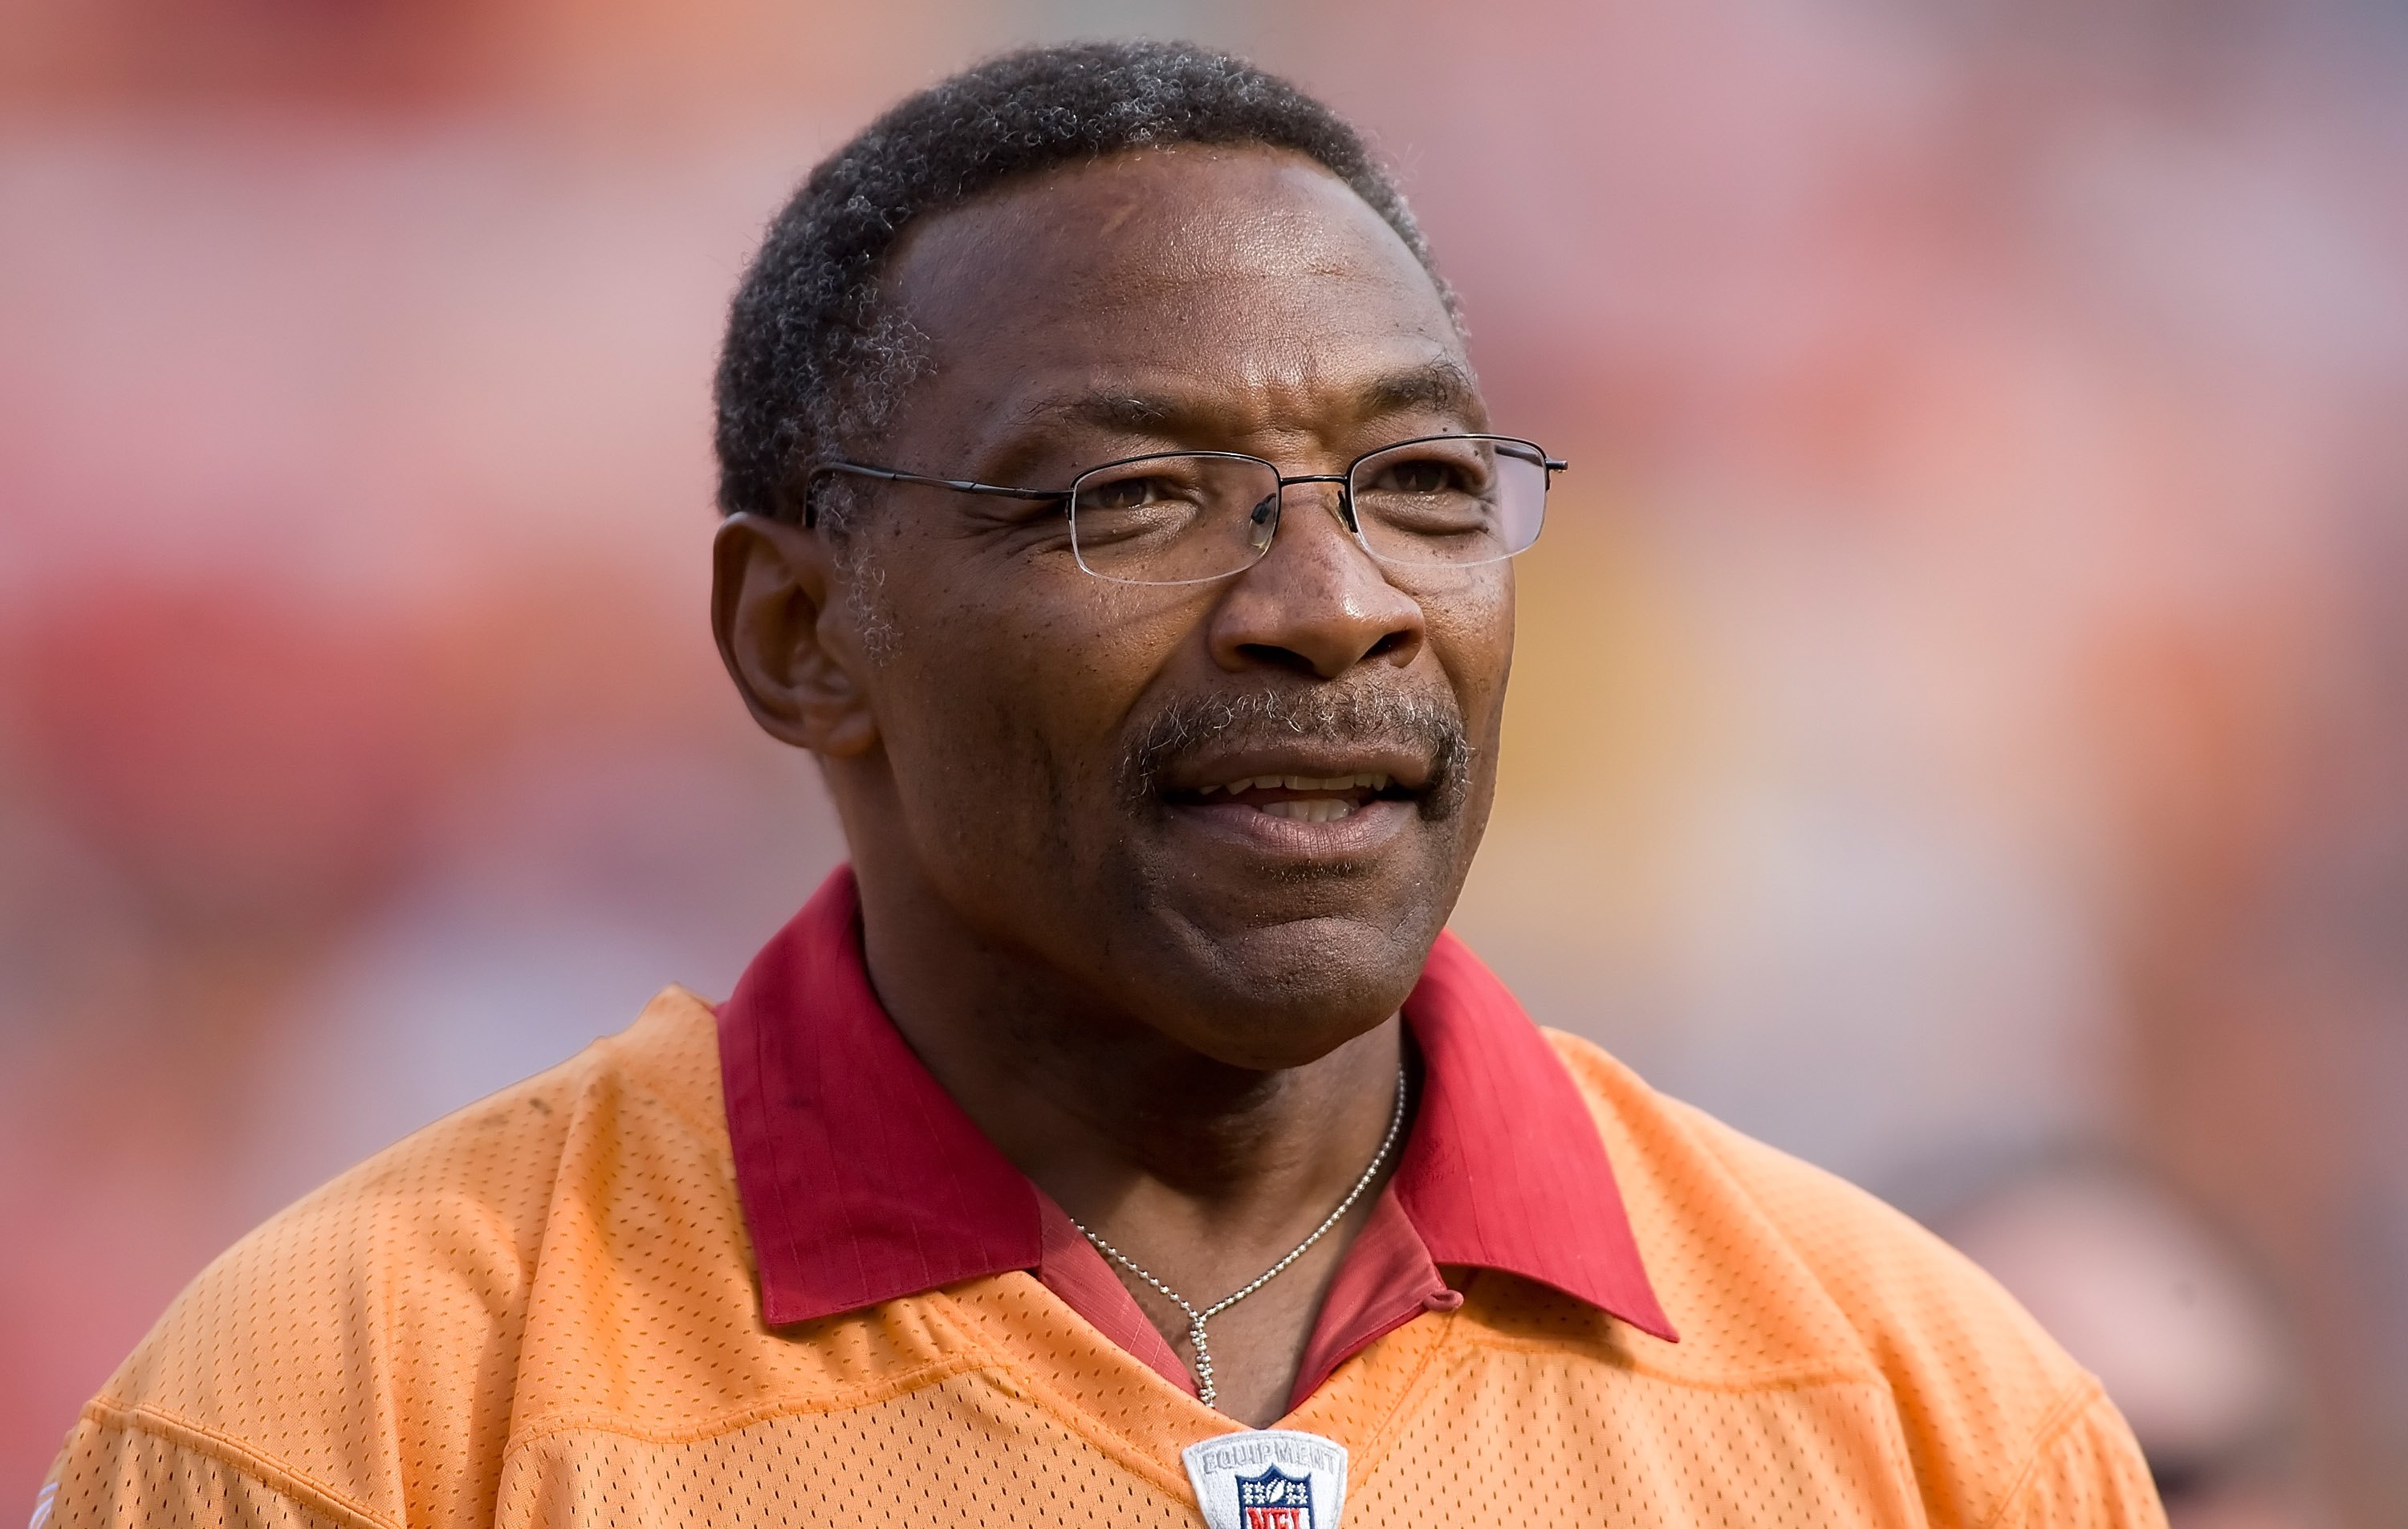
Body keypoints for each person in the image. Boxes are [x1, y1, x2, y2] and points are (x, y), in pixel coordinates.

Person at [39, 40, 2166, 1529]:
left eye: (1424, 484)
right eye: (1138, 495)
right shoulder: (353, 1418)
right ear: (798, 635)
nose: (1333, 605)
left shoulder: (1929, 1418)